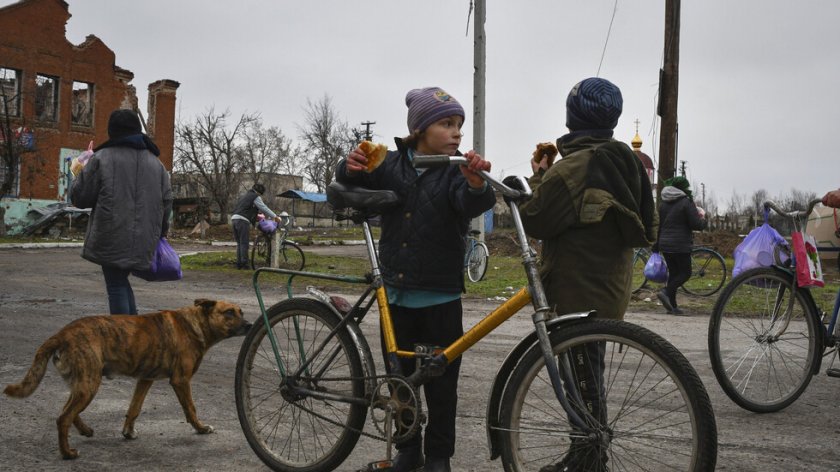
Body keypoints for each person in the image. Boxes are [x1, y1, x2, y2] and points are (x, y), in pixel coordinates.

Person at [336, 86, 495, 472]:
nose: (456, 132)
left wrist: (476, 184)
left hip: (440, 295)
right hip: (396, 292)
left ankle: (439, 458)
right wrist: (349, 165)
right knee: (399, 382)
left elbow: (471, 203)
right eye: (446, 123)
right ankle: (408, 451)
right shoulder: (388, 164)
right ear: (420, 128)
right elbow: (347, 185)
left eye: (459, 124)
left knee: (442, 387)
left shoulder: (456, 169)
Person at [518, 77, 657, 472]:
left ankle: (589, 459)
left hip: (576, 290)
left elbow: (536, 219)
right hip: (611, 286)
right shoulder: (625, 160)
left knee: (582, 382)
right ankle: (582, 453)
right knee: (588, 377)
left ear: (571, 116)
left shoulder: (571, 169)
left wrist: (539, 175)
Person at [70, 108, 173, 315]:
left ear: (112, 132)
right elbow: (167, 202)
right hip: (145, 237)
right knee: (120, 280)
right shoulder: (157, 164)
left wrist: (78, 170)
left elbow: (80, 198)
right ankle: (133, 333)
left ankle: (124, 339)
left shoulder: (102, 158)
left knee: (116, 284)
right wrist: (159, 233)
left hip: (112, 235)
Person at [655, 176, 707, 315]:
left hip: (665, 244)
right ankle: (665, 292)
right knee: (685, 273)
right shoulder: (686, 202)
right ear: (682, 188)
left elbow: (658, 225)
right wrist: (703, 220)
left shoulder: (663, 203)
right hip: (680, 244)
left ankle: (672, 307)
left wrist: (656, 244)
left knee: (673, 274)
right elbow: (695, 224)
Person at [230, 183, 283, 270]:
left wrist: (256, 217)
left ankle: (239, 264)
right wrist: (275, 217)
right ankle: (245, 265)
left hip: (234, 219)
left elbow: (246, 209)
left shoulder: (244, 196)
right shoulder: (255, 196)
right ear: (259, 192)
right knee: (244, 243)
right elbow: (263, 208)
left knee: (239, 243)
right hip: (242, 220)